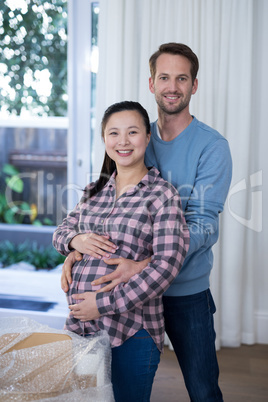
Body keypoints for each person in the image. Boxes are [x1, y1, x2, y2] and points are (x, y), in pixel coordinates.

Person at [61, 43, 232, 401]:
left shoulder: (212, 146)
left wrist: (147, 265)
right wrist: (75, 247)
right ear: (151, 83)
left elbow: (203, 224)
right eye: (164, 77)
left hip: (185, 289)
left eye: (181, 78)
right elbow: (101, 211)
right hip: (126, 298)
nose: (173, 86)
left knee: (202, 388)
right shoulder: (133, 134)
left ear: (194, 85)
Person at [53, 100, 190, 402]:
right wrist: (76, 242)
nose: (123, 141)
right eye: (114, 133)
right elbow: (61, 232)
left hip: (132, 330)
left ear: (147, 137)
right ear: (104, 139)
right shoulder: (94, 191)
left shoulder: (162, 195)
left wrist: (103, 303)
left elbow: (167, 265)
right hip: (83, 327)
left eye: (132, 132)